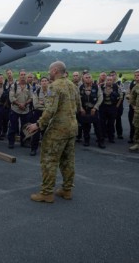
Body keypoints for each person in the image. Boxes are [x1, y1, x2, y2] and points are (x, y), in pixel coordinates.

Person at [26, 61, 80, 203]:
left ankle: (47, 193)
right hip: (72, 128)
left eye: (50, 70)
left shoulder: (53, 86)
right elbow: (78, 106)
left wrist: (38, 125)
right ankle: (67, 190)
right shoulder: (73, 86)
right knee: (68, 160)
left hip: (58, 130)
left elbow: (50, 109)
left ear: (55, 70)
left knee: (49, 160)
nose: (49, 73)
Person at [78, 72, 105, 148]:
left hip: (94, 109)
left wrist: (95, 107)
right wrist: (81, 108)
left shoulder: (96, 87)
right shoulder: (80, 87)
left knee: (98, 127)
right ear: (83, 79)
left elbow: (100, 98)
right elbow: (77, 99)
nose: (88, 79)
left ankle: (100, 141)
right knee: (85, 126)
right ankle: (86, 140)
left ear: (91, 78)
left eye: (89, 77)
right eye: (86, 77)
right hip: (84, 110)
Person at [7, 70, 32, 149]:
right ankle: (11, 142)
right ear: (19, 75)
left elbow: (31, 98)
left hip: (25, 110)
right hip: (15, 109)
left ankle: (24, 142)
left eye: (24, 74)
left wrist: (24, 104)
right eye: (21, 74)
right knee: (13, 127)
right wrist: (19, 104)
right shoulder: (13, 86)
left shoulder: (29, 86)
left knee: (25, 127)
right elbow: (11, 97)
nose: (23, 76)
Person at [99, 75, 122, 143]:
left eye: (110, 80)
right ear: (106, 80)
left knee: (111, 123)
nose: (109, 81)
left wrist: (117, 106)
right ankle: (102, 136)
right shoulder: (101, 86)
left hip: (112, 107)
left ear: (113, 81)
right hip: (103, 107)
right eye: (107, 80)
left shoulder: (116, 86)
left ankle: (111, 138)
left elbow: (121, 96)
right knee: (102, 123)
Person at [30, 76, 49, 156]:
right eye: (42, 81)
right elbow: (36, 105)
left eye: (45, 81)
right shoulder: (36, 91)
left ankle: (46, 150)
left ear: (48, 82)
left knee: (47, 132)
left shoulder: (51, 92)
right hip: (38, 113)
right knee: (35, 132)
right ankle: (33, 149)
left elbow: (53, 104)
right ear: (40, 83)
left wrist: (43, 104)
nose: (44, 82)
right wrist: (46, 105)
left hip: (47, 114)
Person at [126, 69, 139, 143]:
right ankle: (132, 137)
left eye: (138, 75)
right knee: (132, 122)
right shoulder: (132, 83)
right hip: (132, 106)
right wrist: (132, 105)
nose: (136, 77)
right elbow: (128, 94)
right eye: (135, 75)